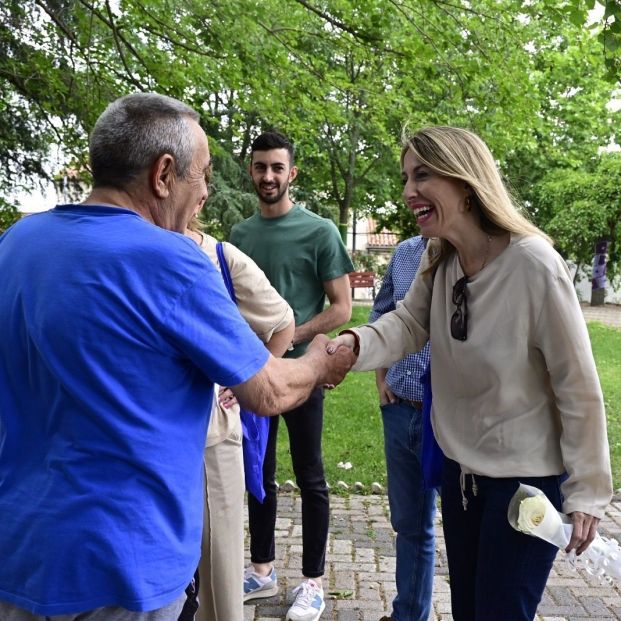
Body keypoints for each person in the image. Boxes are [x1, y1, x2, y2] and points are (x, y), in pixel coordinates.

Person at [0, 93, 355, 621]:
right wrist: (322, 362)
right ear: (164, 175)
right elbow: (269, 391)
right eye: (203, 176)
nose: (206, 193)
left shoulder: (16, 244)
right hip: (125, 566)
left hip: (21, 554)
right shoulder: (172, 260)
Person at [327, 126, 613, 621]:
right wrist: (351, 346)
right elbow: (409, 322)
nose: (408, 191)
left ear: (464, 181)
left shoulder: (534, 265)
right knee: (467, 611)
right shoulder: (440, 258)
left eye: (422, 175)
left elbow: (577, 385)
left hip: (524, 487)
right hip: (463, 478)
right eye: (405, 178)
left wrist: (587, 489)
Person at [230, 131, 354, 621]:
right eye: (260, 167)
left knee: (311, 476)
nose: (268, 176)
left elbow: (342, 307)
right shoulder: (240, 236)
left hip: (301, 373)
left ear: (292, 173)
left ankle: (313, 583)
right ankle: (261, 573)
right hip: (252, 376)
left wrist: (290, 333)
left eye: (277, 168)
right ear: (252, 171)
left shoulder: (320, 231)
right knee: (258, 474)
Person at [185, 219, 295, 621]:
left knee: (219, 569)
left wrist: (247, 377)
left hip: (213, 435)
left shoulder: (220, 256)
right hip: (154, 437)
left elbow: (283, 322)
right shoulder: (136, 245)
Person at [370, 235, 436, 621]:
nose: (415, 192)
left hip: (443, 417)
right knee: (409, 524)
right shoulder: (405, 253)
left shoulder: (468, 252)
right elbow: (381, 316)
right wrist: (382, 380)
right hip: (398, 409)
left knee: (463, 530)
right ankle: (408, 614)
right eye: (409, 180)